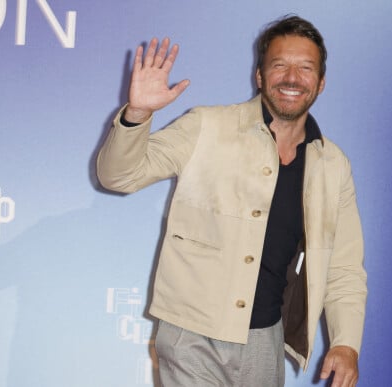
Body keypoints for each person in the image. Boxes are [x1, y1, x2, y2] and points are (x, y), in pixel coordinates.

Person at [97, 15, 367, 387]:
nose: (292, 77)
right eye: (279, 65)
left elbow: (345, 268)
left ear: (321, 82)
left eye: (305, 68)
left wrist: (346, 344)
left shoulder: (333, 164)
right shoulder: (206, 126)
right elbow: (119, 176)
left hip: (265, 338)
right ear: (259, 76)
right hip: (192, 334)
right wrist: (138, 114)